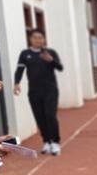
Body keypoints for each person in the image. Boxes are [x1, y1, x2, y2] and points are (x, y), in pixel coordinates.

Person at [13, 28, 63, 156]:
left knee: (50, 115)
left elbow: (60, 68)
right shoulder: (25, 54)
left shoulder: (50, 52)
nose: (38, 40)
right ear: (30, 39)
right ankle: (46, 141)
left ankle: (55, 142)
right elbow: (19, 70)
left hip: (50, 90)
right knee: (40, 117)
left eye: (40, 38)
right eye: (35, 37)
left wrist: (51, 60)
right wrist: (17, 83)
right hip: (34, 92)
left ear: (44, 39)